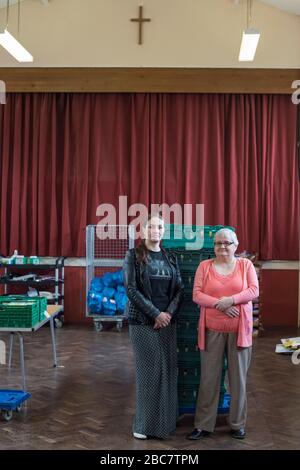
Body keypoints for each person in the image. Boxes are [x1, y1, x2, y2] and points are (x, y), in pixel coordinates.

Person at [186, 228, 259, 440]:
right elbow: (197, 295)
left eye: (227, 243)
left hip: (239, 333)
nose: (223, 247)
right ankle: (203, 425)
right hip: (211, 331)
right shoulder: (204, 266)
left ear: (235, 245)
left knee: (238, 381)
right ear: (214, 247)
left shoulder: (246, 265)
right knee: (209, 379)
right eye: (218, 243)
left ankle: (237, 424)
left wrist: (232, 300)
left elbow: (253, 291)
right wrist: (221, 304)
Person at [123, 214, 184, 440]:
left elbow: (179, 289)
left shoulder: (170, 257)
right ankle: (143, 425)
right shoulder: (133, 256)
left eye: (160, 227)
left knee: (167, 371)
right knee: (149, 373)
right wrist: (155, 313)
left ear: (164, 231)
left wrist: (167, 314)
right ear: (143, 230)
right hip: (143, 322)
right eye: (151, 226)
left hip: (167, 322)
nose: (156, 230)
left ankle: (164, 424)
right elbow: (131, 289)